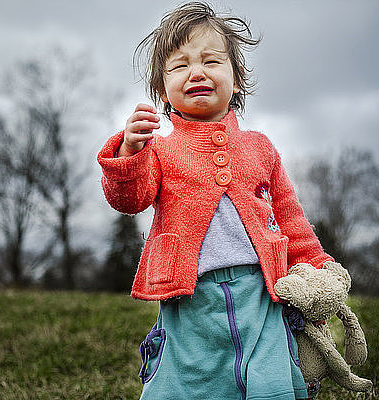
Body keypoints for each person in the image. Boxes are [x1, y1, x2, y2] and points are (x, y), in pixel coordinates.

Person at [96, 2, 334, 399]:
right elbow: (130, 200)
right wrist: (128, 154)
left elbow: (290, 219)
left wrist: (317, 265)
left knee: (270, 385)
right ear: (162, 91)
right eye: (180, 65)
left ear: (236, 79)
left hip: (262, 295)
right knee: (186, 384)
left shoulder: (261, 148)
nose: (197, 72)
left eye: (211, 60)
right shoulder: (157, 150)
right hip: (191, 301)